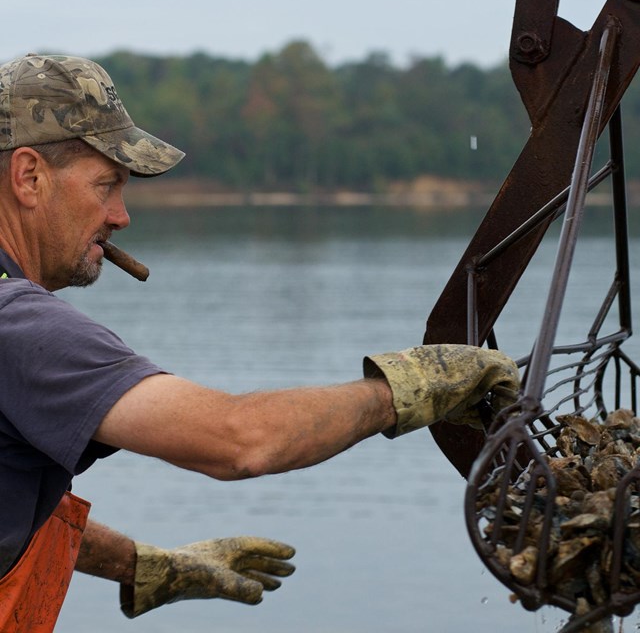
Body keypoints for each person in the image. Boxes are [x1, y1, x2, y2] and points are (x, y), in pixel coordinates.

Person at [0, 53, 520, 632]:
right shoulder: (23, 329)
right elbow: (238, 440)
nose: (121, 217)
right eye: (107, 185)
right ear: (29, 176)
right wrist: (408, 387)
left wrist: (146, 566)